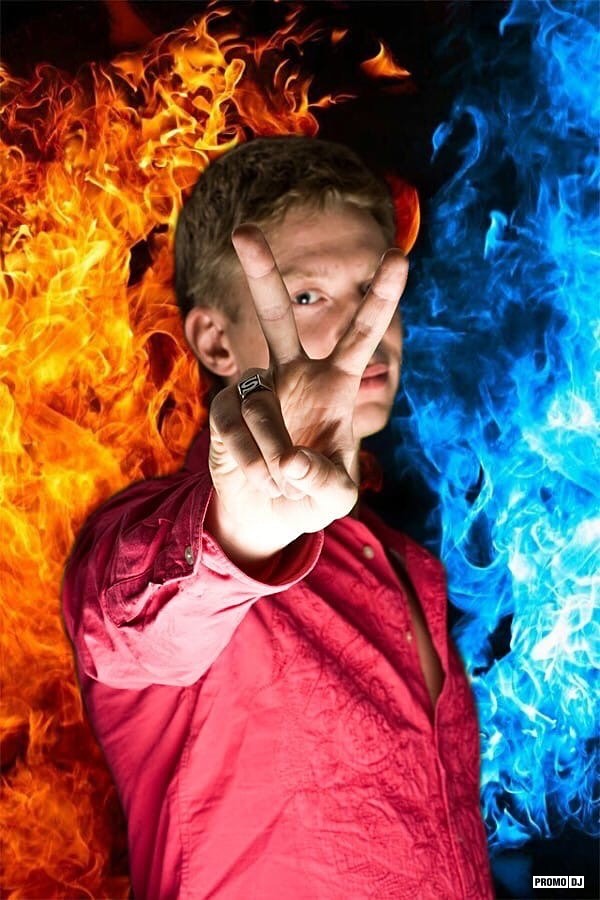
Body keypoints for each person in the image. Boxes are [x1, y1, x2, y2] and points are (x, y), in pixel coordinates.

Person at [61, 136, 495, 899]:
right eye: (307, 298)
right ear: (216, 341)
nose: (363, 331)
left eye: (371, 291)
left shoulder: (416, 570)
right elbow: (124, 626)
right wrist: (247, 530)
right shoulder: (163, 541)